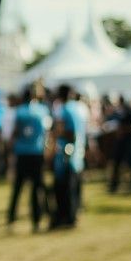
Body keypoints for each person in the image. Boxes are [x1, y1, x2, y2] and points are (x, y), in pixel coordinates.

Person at [7, 85, 51, 232]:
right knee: (36, 188)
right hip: (36, 153)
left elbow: (15, 133)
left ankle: (11, 217)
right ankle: (36, 220)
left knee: (18, 188)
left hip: (22, 153)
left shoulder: (19, 112)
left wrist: (11, 152)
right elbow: (46, 132)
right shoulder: (42, 110)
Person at [51, 84, 87, 229]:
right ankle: (72, 215)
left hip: (67, 155)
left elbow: (69, 132)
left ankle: (67, 218)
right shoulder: (78, 108)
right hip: (77, 154)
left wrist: (58, 133)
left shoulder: (65, 110)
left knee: (65, 189)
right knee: (74, 187)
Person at [108, 98, 131, 193]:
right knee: (117, 163)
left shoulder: (130, 112)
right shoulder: (120, 112)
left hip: (129, 141)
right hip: (122, 141)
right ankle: (114, 185)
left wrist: (123, 130)